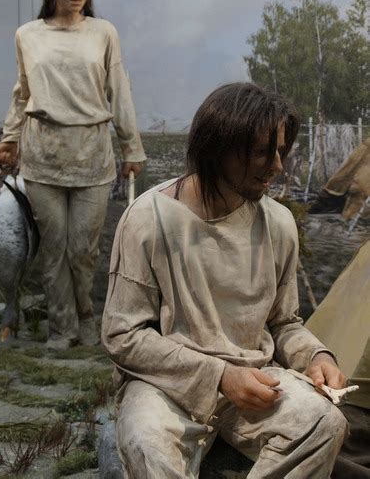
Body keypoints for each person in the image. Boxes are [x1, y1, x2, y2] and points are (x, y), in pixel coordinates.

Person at [101, 82, 349, 479]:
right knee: (146, 443)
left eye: (280, 151)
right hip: (168, 385)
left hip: (254, 382)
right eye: (262, 152)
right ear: (218, 149)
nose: (277, 166)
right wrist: (218, 376)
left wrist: (316, 356)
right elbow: (123, 336)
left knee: (324, 424)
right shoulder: (149, 219)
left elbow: (284, 323)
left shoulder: (279, 224)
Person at [0, 0, 146, 350]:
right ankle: (61, 330)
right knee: (54, 245)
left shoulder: (103, 33)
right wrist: (10, 138)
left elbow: (120, 90)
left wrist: (132, 146)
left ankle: (85, 316)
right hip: (42, 154)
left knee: (83, 248)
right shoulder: (28, 35)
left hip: (92, 154)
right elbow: (21, 92)